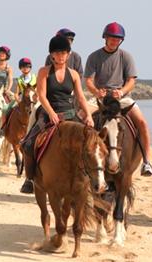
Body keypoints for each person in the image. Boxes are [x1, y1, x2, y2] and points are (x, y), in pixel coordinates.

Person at [19, 35, 94, 194]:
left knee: (93, 142)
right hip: (49, 113)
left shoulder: (73, 74)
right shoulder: (44, 72)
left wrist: (88, 115)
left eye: (64, 53)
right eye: (57, 53)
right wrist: (51, 113)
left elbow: (80, 96)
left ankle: (95, 178)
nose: (60, 56)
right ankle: (30, 179)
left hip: (70, 113)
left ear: (68, 54)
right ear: (52, 55)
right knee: (28, 143)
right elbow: (41, 95)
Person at [84, 22, 152, 176]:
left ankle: (147, 162)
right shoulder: (94, 56)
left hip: (122, 98)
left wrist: (121, 92)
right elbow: (88, 80)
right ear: (105, 38)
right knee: (81, 118)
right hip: (101, 98)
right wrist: (96, 91)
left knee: (142, 123)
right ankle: (79, 162)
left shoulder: (126, 56)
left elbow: (131, 81)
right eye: (111, 38)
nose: (114, 41)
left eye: (117, 39)